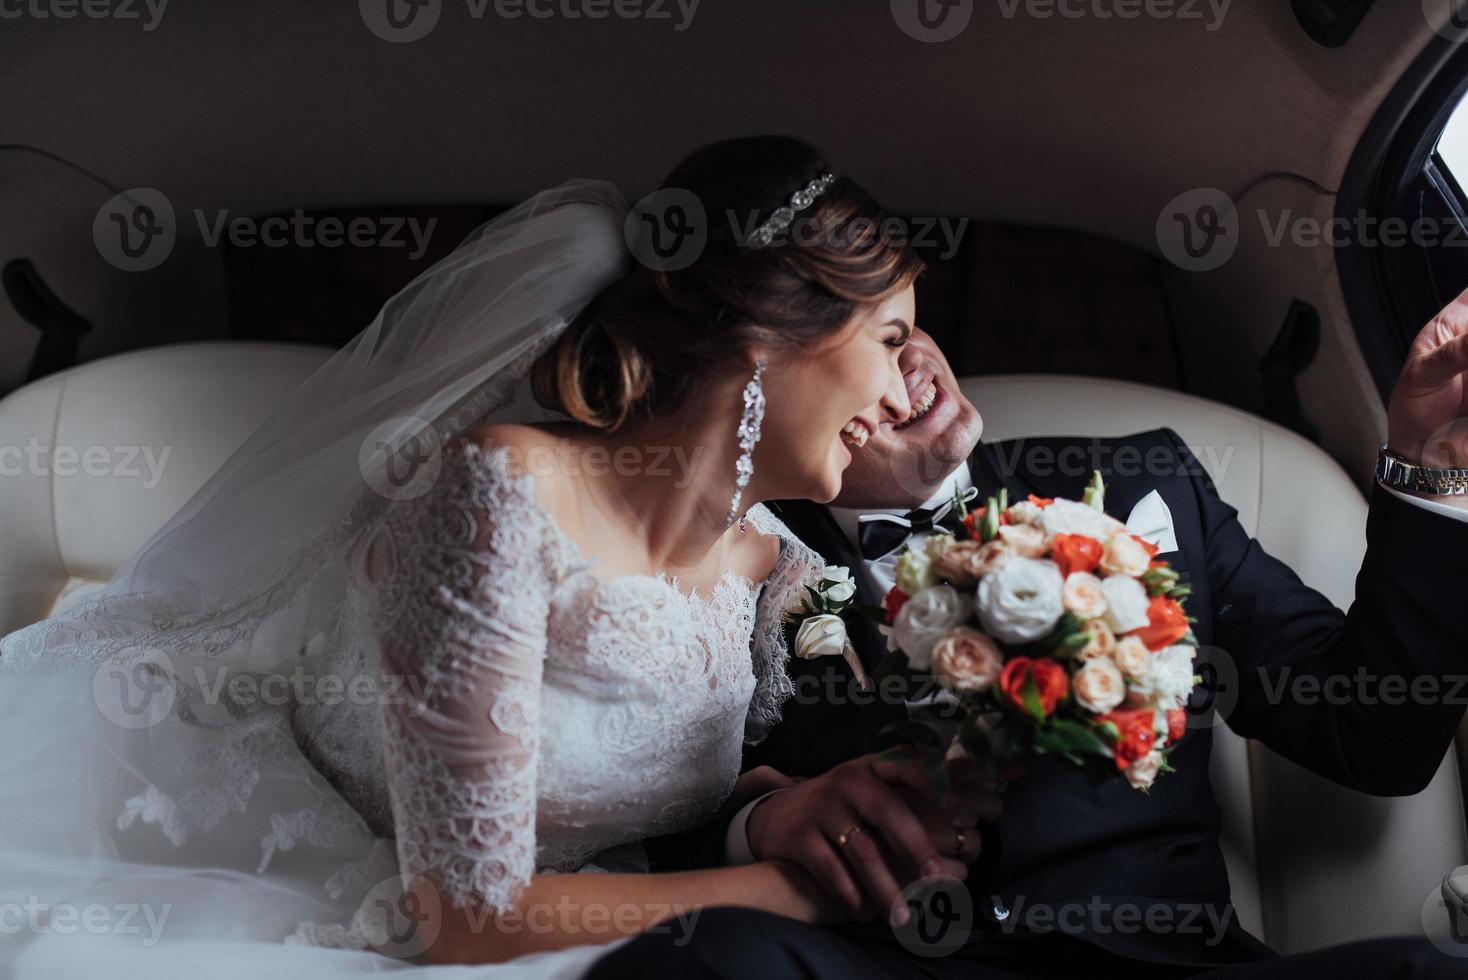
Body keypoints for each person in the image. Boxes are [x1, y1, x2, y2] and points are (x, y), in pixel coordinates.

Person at [0, 136, 972, 976]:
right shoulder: (502, 490)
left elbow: (783, 772)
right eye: (890, 337)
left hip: (600, 937)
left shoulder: (773, 568)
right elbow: (464, 924)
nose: (904, 386)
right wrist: (794, 890)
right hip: (343, 902)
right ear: (769, 332)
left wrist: (769, 811)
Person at [618, 316, 1468, 978]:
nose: (908, 365)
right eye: (844, 348)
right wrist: (758, 827)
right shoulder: (723, 562)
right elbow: (651, 828)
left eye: (898, 327)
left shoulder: (1147, 487)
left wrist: (1433, 465)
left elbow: (1374, 734)